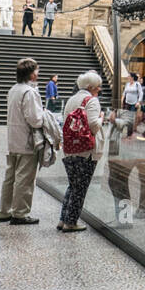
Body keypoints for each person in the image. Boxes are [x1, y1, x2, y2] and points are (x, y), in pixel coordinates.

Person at [0, 57, 48, 225]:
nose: (38, 73)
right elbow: (35, 120)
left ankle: (4, 211)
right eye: (37, 71)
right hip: (27, 141)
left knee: (10, 177)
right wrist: (45, 116)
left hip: (13, 139)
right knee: (24, 179)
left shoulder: (13, 90)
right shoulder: (30, 92)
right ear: (32, 74)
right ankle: (20, 213)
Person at [58, 70, 105, 232]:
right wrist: (102, 118)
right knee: (80, 188)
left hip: (70, 148)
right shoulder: (91, 101)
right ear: (91, 87)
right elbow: (93, 126)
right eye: (98, 87)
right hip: (86, 151)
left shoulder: (72, 99)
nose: (100, 89)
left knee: (73, 185)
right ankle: (71, 223)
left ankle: (63, 219)